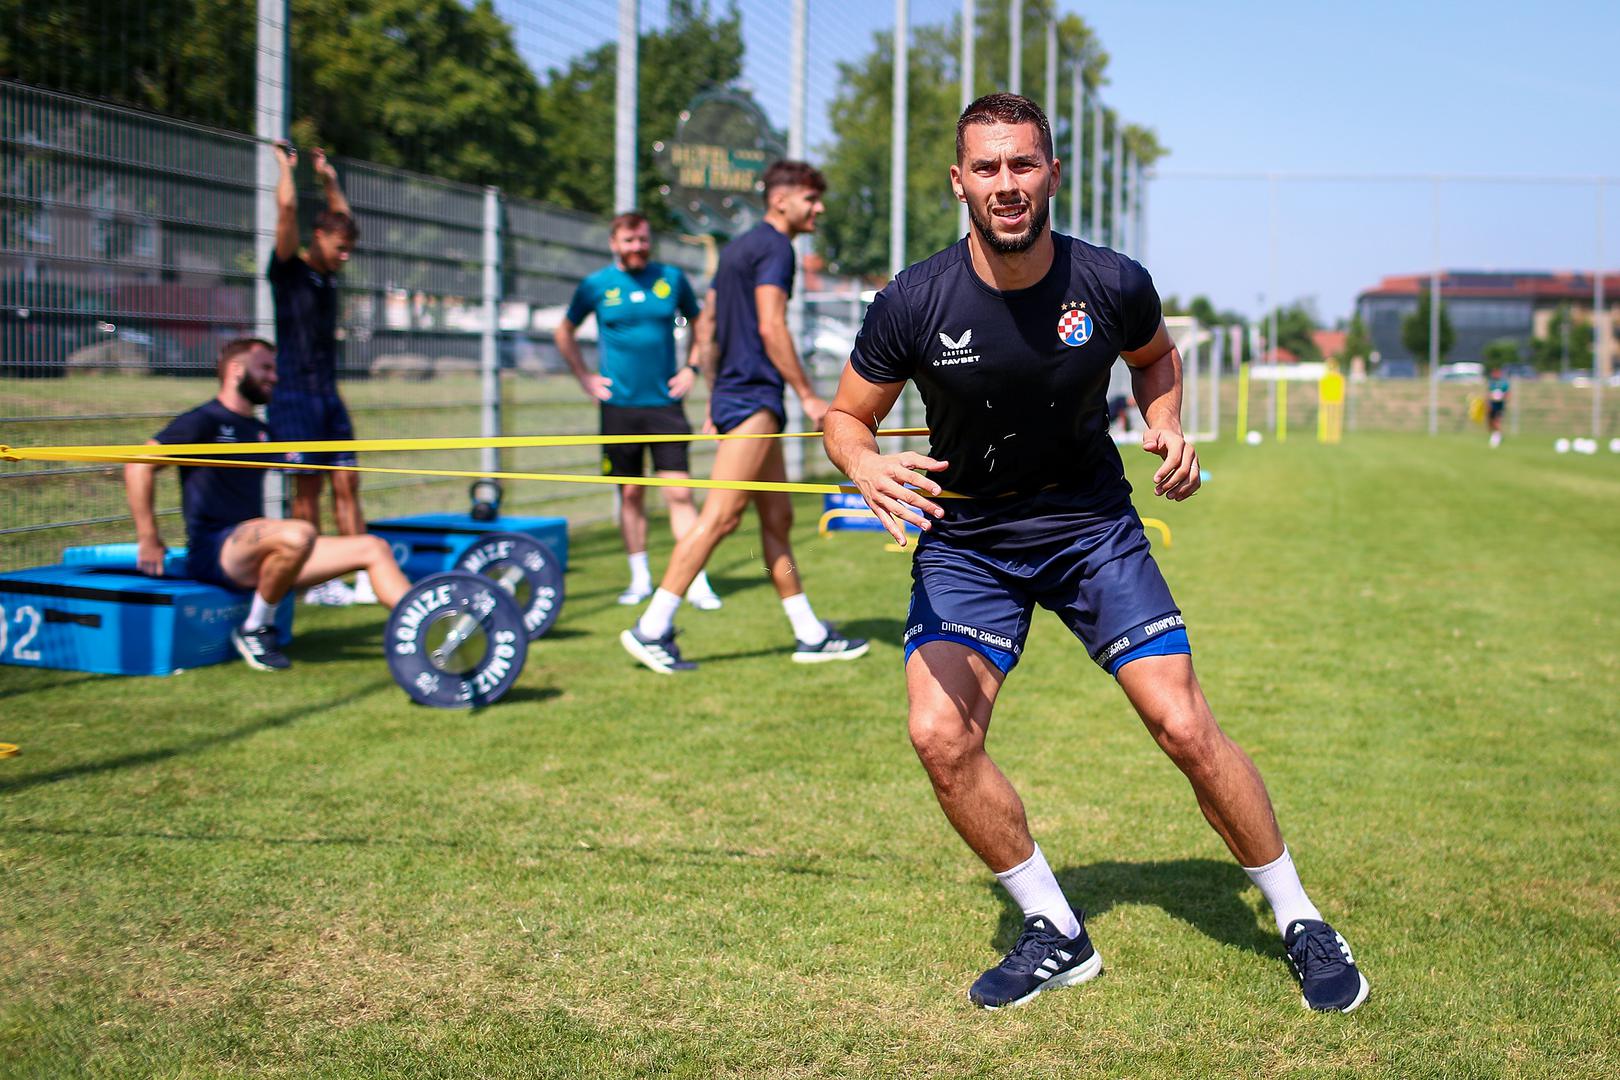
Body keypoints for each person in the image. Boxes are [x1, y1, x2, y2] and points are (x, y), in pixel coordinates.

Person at [822, 94, 1368, 1013]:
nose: (1006, 184)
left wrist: (1167, 421)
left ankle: (1301, 918)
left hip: (1090, 531)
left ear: (1051, 174)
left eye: (1022, 164)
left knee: (1183, 725)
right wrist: (864, 461)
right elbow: (845, 414)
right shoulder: (912, 301)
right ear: (959, 181)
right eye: (987, 167)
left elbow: (1154, 357)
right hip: (970, 544)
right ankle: (1055, 930)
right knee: (939, 735)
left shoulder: (1112, 282)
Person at [619, 161, 868, 673]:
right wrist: (809, 395)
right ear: (781, 199)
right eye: (810, 199)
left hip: (740, 397)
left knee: (777, 518)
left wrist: (715, 398)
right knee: (721, 516)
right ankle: (651, 627)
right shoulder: (776, 248)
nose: (818, 208)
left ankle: (809, 634)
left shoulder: (736, 248)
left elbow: (707, 324)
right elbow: (772, 326)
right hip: (754, 399)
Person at [125, 338, 410, 671]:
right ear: (236, 369)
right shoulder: (204, 420)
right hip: (215, 550)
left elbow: (300, 466)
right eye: (265, 368)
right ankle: (256, 628)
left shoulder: (260, 430)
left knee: (373, 548)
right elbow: (137, 465)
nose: (274, 377)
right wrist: (148, 537)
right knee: (299, 533)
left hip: (262, 550)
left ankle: (424, 625)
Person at [555, 211, 722, 609]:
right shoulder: (596, 285)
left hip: (665, 406)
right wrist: (585, 378)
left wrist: (691, 368)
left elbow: (701, 324)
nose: (637, 247)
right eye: (629, 241)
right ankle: (639, 578)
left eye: (643, 240)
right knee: (630, 494)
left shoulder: (671, 278)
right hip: (619, 408)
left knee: (679, 492)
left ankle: (695, 580)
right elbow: (564, 331)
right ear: (614, 243)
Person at [269, 140, 372, 606]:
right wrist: (286, 168)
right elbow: (287, 210)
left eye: (350, 249)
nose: (346, 256)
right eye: (341, 248)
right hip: (294, 397)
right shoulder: (288, 270)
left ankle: (362, 575)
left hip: (328, 394)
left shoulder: (328, 274)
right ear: (318, 237)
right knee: (307, 489)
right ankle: (315, 581)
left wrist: (329, 179)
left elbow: (341, 217)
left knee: (347, 482)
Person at [1487, 366, 1510, 447]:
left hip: (1500, 405)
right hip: (1492, 405)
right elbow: (1489, 393)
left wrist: (1501, 397)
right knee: (1491, 422)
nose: (1493, 374)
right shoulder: (1492, 382)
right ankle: (1495, 434)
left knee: (1497, 421)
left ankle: (1497, 437)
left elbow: (1508, 394)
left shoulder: (1504, 383)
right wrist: (1490, 400)